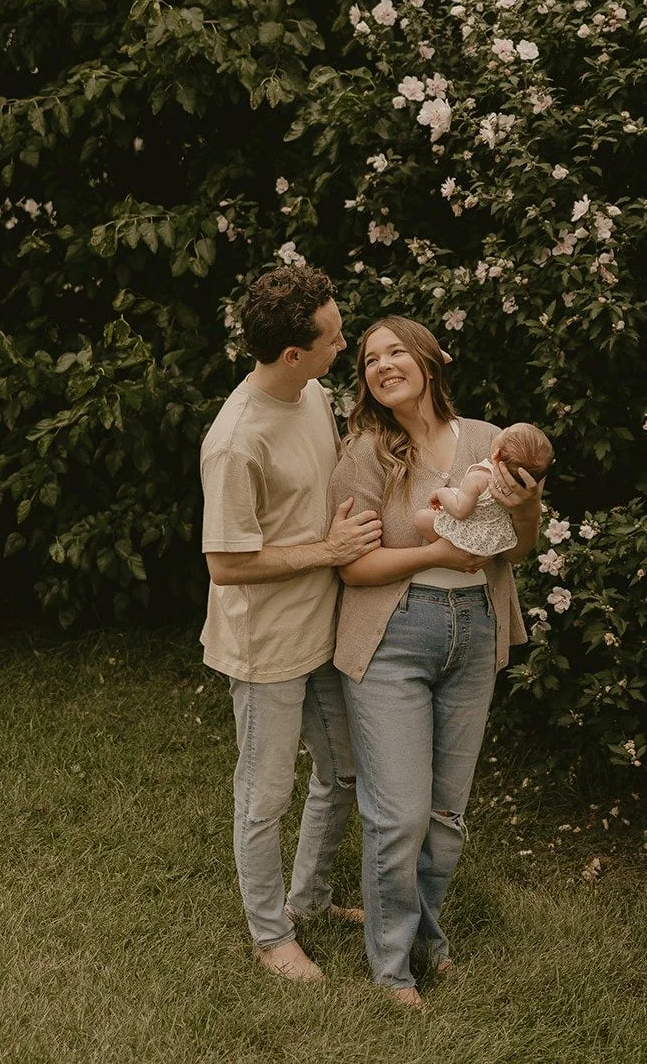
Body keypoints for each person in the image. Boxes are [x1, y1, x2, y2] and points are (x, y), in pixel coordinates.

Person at [327, 317, 543, 1006]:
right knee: (398, 815)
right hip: (394, 633)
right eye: (368, 358)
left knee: (446, 812)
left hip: (474, 631)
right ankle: (392, 968)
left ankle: (424, 934)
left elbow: (517, 545)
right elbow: (353, 569)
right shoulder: (364, 452)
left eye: (395, 351)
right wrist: (436, 555)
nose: (382, 364)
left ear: (427, 359)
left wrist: (528, 502)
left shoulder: (487, 441)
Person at [199, 264, 382, 983]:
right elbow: (224, 563)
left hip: (323, 628)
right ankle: (271, 935)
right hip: (266, 646)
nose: (346, 346)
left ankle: (309, 896)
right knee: (265, 794)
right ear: (292, 353)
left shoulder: (311, 394)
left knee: (340, 772)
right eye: (334, 338)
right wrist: (328, 550)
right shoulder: (236, 439)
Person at [413, 422, 554, 556]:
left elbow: (460, 511)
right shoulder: (518, 490)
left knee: (421, 518)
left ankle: (452, 549)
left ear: (497, 453)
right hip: (495, 539)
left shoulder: (479, 478)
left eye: (506, 429)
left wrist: (442, 492)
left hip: (474, 535)